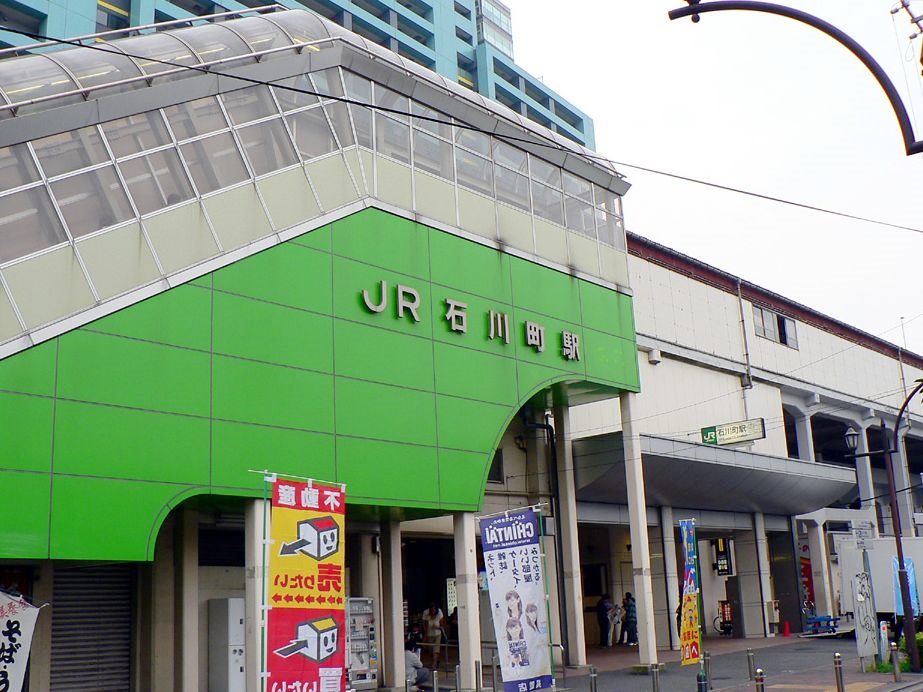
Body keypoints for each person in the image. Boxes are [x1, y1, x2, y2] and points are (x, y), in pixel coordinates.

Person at [422, 602, 446, 668]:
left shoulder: (439, 612)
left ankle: (434, 664)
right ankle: (435, 661)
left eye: (434, 609)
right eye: (432, 609)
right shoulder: (426, 613)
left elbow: (442, 625)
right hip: (429, 634)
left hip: (437, 634)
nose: (433, 611)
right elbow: (424, 624)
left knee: (436, 649)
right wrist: (425, 634)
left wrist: (437, 627)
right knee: (430, 649)